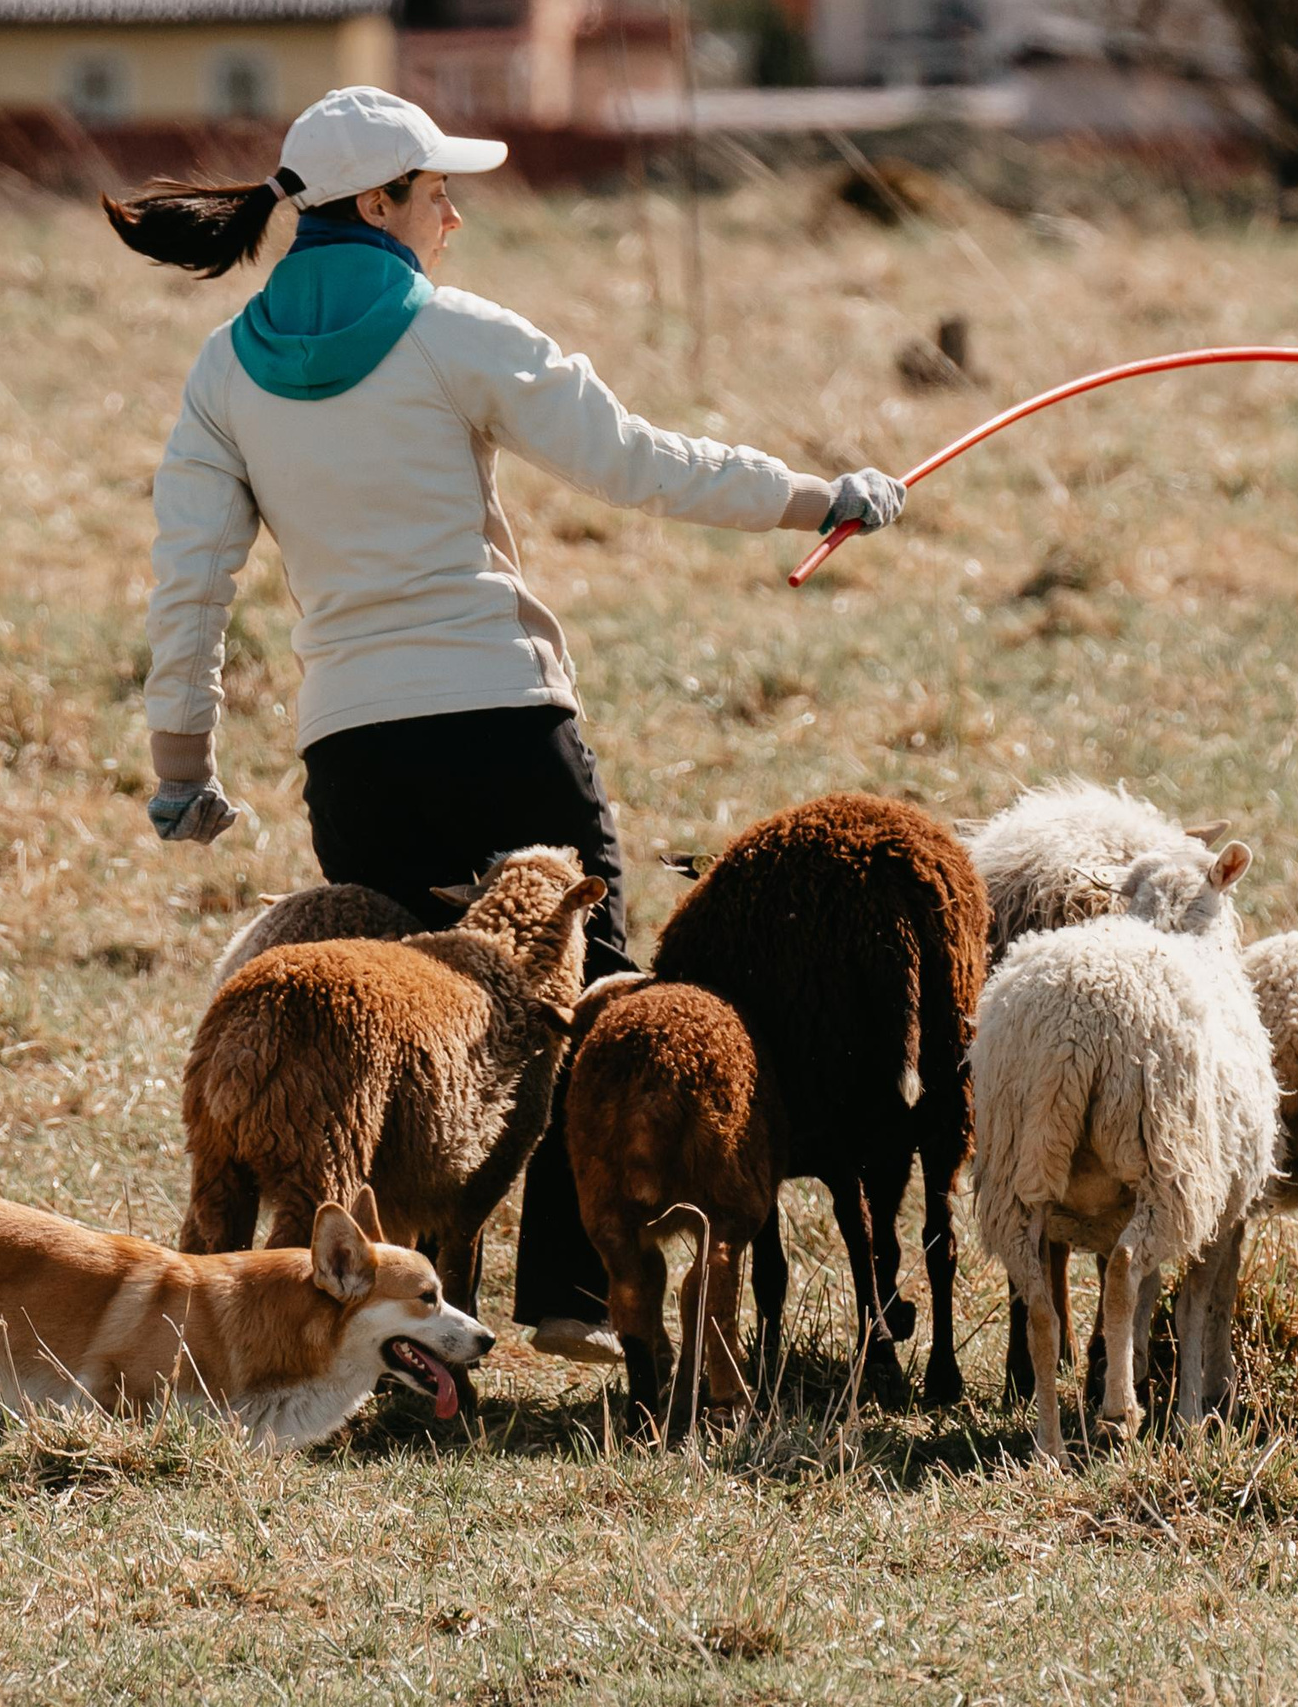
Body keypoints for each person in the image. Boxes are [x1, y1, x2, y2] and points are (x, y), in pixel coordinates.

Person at [106, 86, 905, 1364]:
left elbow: (190, 582)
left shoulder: (222, 371)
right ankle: (569, 1287)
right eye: (435, 195)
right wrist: (819, 495)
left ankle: (376, 1319)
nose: (455, 214)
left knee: (388, 1033)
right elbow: (638, 459)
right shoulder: (454, 333)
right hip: (501, 720)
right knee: (581, 989)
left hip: (353, 755)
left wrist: (181, 765)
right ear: (376, 206)